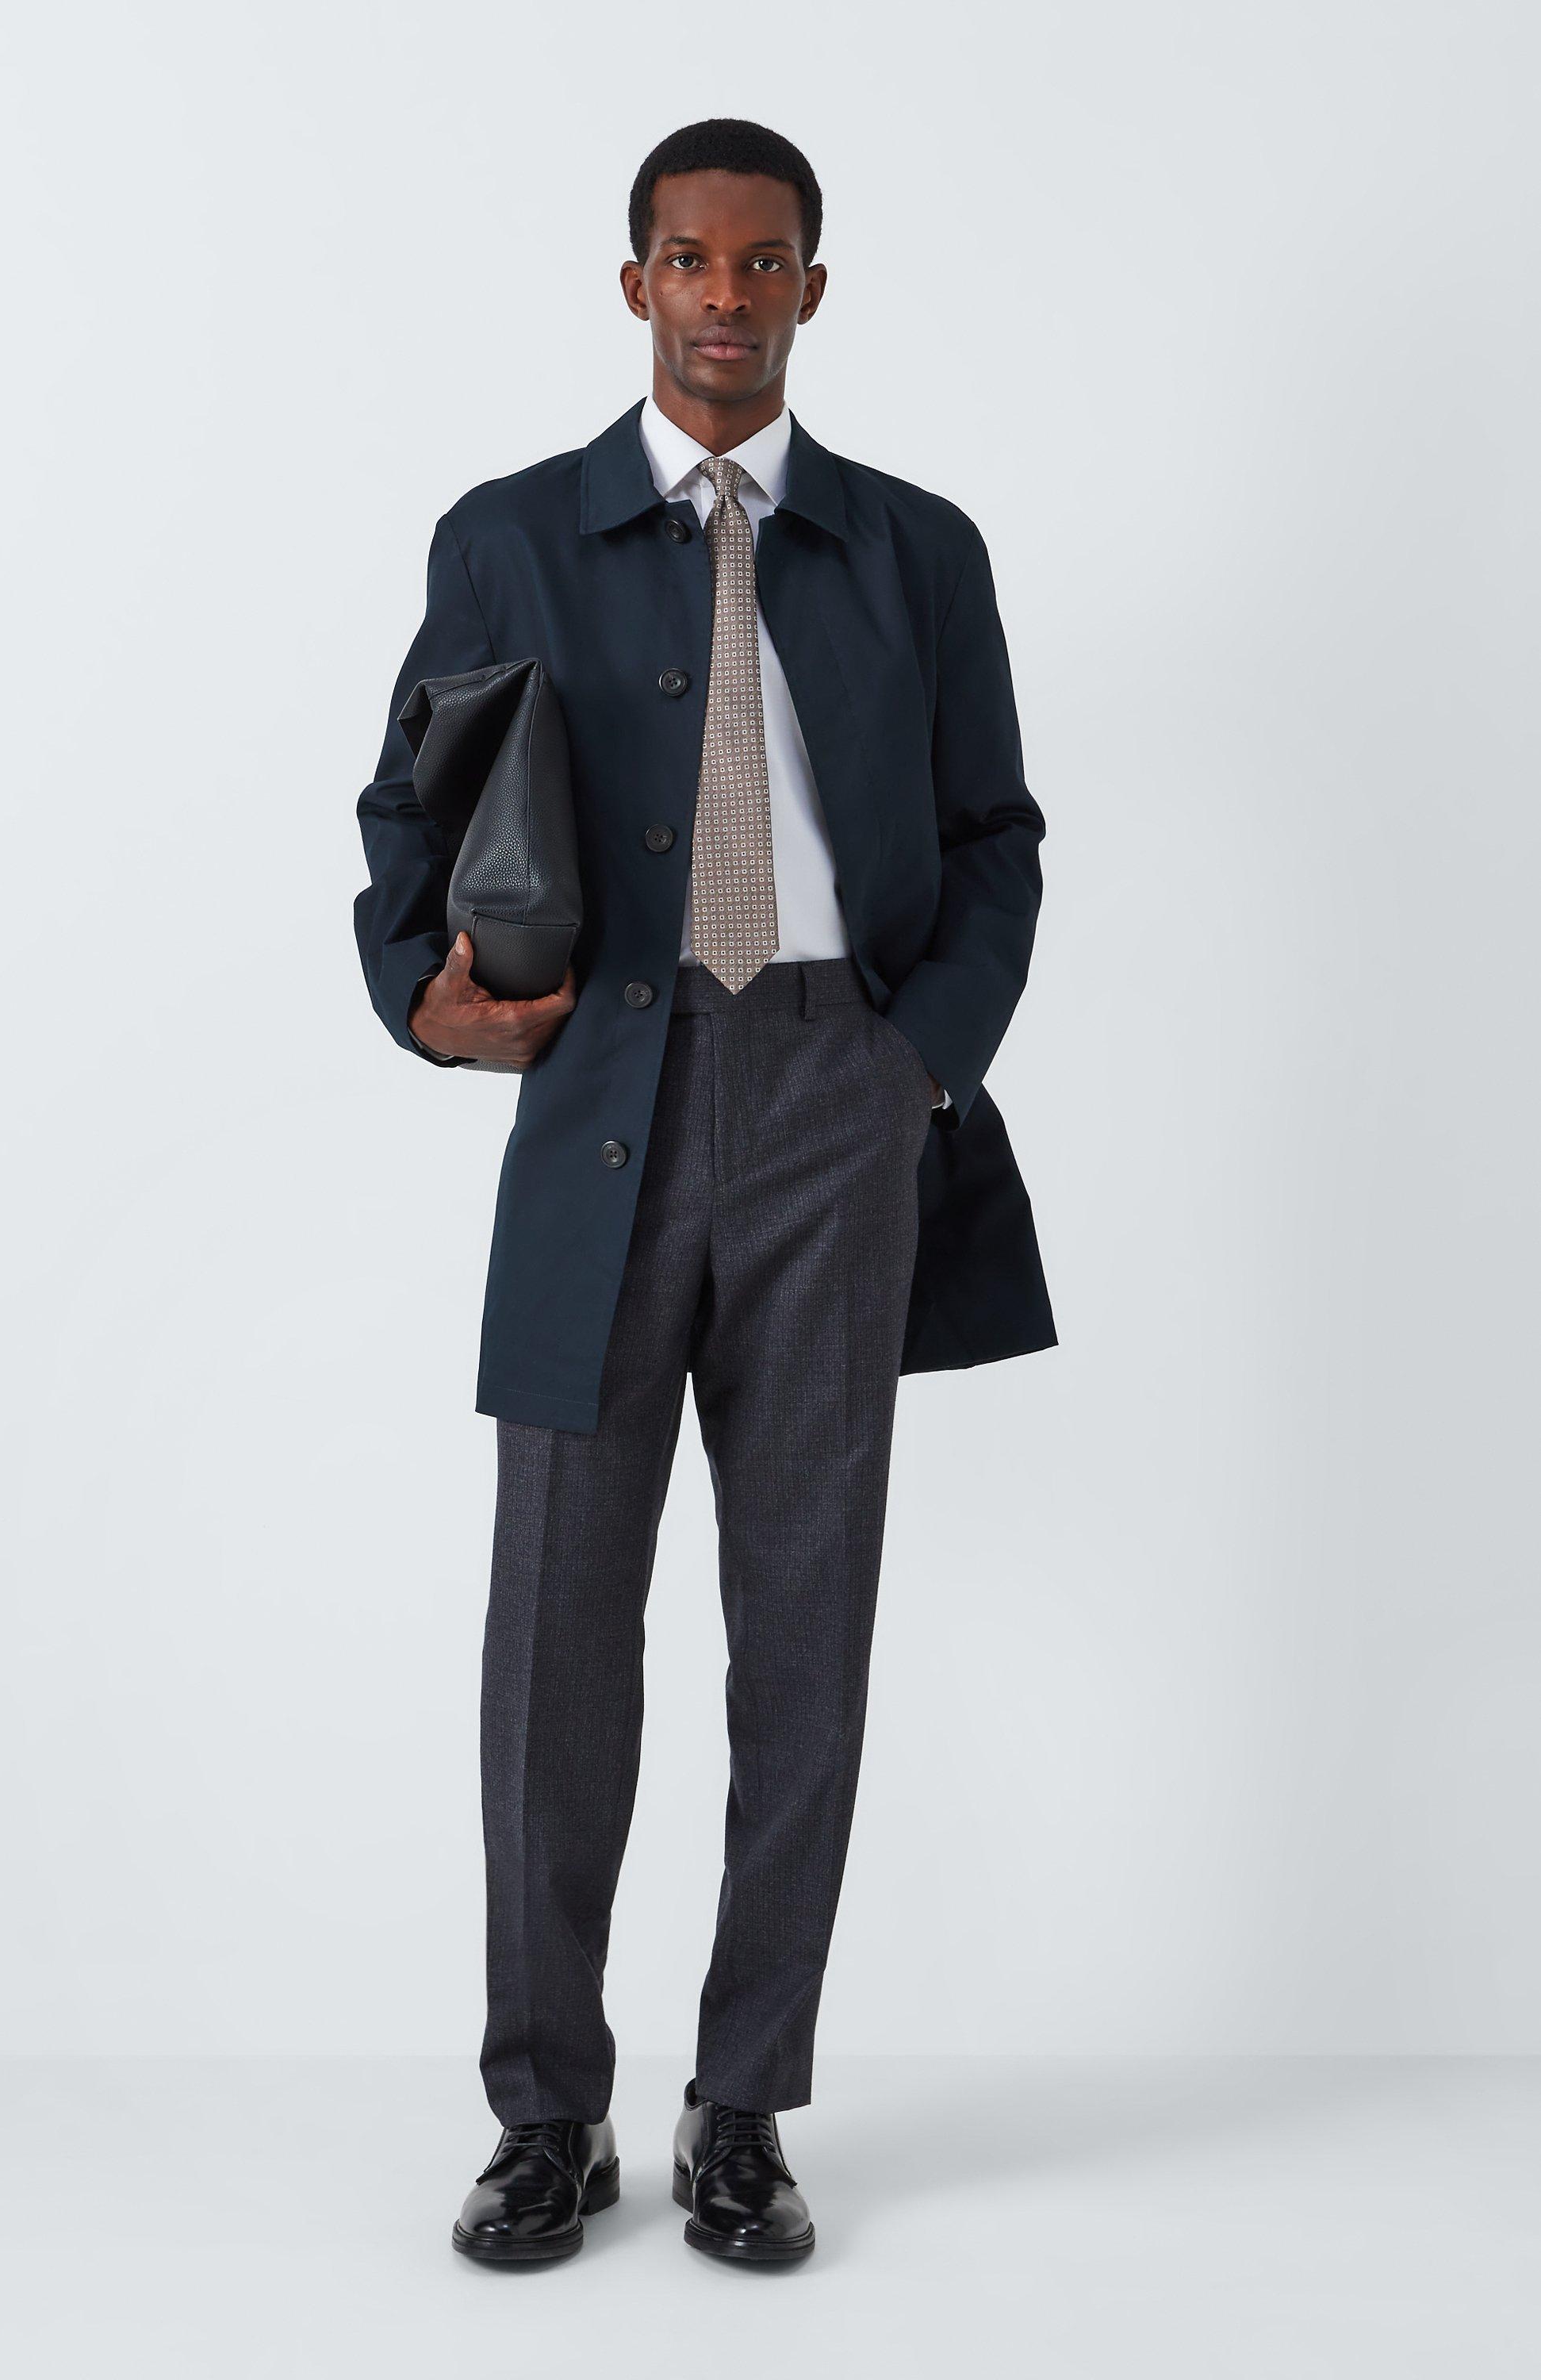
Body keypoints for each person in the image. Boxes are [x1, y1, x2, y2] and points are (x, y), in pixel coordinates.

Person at [354, 116, 1054, 2267]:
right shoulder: (508, 537)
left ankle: (743, 2105)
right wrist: (427, 999)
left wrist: (912, 1064)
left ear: (810, 289)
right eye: (688, 257)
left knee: (805, 1626)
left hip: (838, 1095)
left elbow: (997, 837)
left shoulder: (916, 549)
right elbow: (405, 825)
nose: (725, 294)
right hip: (601, 1099)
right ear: (635, 282)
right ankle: (544, 2113)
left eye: (762, 262)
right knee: (555, 1631)